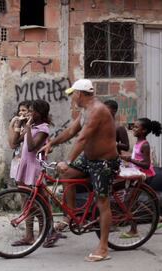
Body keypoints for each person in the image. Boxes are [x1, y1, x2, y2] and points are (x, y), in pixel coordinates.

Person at [40, 79, 120, 262]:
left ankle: (103, 247)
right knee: (66, 174)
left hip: (104, 162)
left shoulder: (98, 110)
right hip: (89, 158)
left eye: (73, 94)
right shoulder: (85, 110)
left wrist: (68, 160)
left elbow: (82, 139)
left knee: (103, 202)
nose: (72, 97)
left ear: (80, 94)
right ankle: (71, 216)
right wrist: (52, 142)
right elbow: (70, 132)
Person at [10, 99, 51, 246]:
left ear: (40, 113)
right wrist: (17, 126)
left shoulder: (43, 129)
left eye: (32, 111)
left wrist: (27, 127)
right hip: (24, 166)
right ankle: (29, 236)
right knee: (27, 201)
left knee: (38, 202)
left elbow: (33, 147)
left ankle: (43, 233)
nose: (29, 113)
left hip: (35, 169)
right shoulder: (31, 126)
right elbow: (14, 143)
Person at [119, 118, 161, 238]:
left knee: (129, 201)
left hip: (145, 176)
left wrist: (130, 160)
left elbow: (147, 164)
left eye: (136, 127)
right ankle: (157, 217)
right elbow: (138, 160)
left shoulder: (145, 145)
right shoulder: (138, 142)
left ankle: (134, 230)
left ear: (144, 130)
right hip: (138, 174)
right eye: (134, 126)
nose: (133, 129)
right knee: (132, 200)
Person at [8, 101, 32, 182]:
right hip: (18, 160)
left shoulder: (33, 126)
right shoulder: (17, 126)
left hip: (30, 161)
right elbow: (12, 145)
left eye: (24, 110)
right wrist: (12, 124)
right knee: (21, 188)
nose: (21, 113)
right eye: (20, 110)